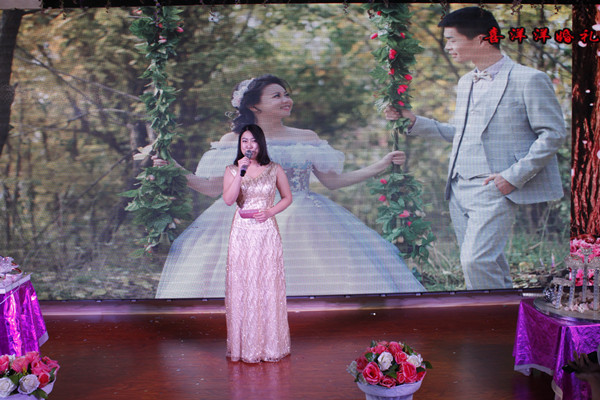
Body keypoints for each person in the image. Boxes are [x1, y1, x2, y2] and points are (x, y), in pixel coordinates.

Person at [154, 74, 425, 298]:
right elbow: (212, 188)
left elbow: (333, 181)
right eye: (277, 96)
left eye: (286, 94)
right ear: (254, 105)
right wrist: (174, 168)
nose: (286, 100)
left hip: (305, 217)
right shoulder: (235, 140)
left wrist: (381, 164)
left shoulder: (306, 137)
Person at [386, 7, 566, 290]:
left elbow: (553, 134)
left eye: (452, 40)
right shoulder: (466, 81)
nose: (448, 46)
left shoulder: (529, 79)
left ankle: (489, 316)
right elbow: (462, 134)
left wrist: (512, 177)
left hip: (494, 186)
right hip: (458, 187)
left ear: (482, 39)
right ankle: (506, 315)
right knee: (489, 265)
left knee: (475, 262)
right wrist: (414, 122)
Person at [222, 124, 292, 363]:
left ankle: (270, 346)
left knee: (267, 284)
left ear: (260, 143)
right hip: (242, 233)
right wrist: (240, 173)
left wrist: (270, 211)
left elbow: (287, 197)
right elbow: (229, 200)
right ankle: (246, 347)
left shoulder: (274, 169)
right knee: (244, 285)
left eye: (253, 141)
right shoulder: (232, 170)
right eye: (244, 141)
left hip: (266, 232)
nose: (248, 145)